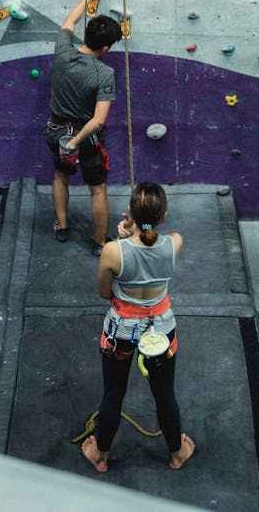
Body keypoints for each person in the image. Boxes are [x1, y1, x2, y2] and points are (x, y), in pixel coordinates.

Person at [81, 181, 195, 472]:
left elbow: (105, 293)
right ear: (164, 215)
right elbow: (150, 241)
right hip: (161, 330)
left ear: (130, 211)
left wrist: (124, 237)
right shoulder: (175, 242)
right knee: (165, 394)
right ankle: (176, 454)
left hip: (120, 331)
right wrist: (133, 231)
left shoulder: (111, 251)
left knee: (113, 394)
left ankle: (101, 457)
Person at [45, 0, 123, 254]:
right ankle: (100, 242)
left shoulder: (62, 50)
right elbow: (98, 121)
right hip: (85, 137)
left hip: (57, 129)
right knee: (98, 189)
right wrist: (76, 141)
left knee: (60, 176)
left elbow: (71, 20)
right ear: (106, 49)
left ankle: (63, 226)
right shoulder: (105, 74)